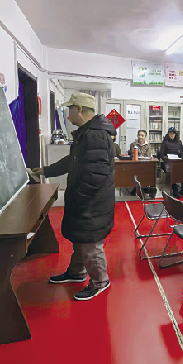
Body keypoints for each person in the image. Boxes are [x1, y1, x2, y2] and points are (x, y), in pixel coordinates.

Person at [32, 92, 114, 301]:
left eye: (70, 110)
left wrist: (80, 198)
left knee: (90, 245)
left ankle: (100, 281)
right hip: (85, 202)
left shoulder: (95, 136)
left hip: (91, 204)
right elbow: (72, 161)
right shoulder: (86, 133)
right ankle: (77, 272)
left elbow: (96, 176)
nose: (68, 116)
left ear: (80, 110)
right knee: (80, 239)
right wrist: (46, 171)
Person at [159, 127, 183, 198]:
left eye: (173, 133)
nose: (172, 135)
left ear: (175, 134)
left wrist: (180, 156)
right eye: (170, 133)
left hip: (177, 161)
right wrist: (166, 158)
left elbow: (182, 152)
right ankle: (175, 190)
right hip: (168, 162)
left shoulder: (179, 142)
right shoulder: (165, 142)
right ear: (168, 134)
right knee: (173, 172)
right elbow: (161, 154)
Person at [129, 130, 156, 199]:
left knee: (150, 171)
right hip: (135, 164)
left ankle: (147, 188)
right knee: (137, 172)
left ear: (145, 137)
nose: (140, 137)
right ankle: (137, 188)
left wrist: (141, 156)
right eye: (139, 135)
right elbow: (133, 154)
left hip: (145, 164)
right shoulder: (133, 144)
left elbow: (148, 155)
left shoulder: (148, 145)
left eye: (142, 135)